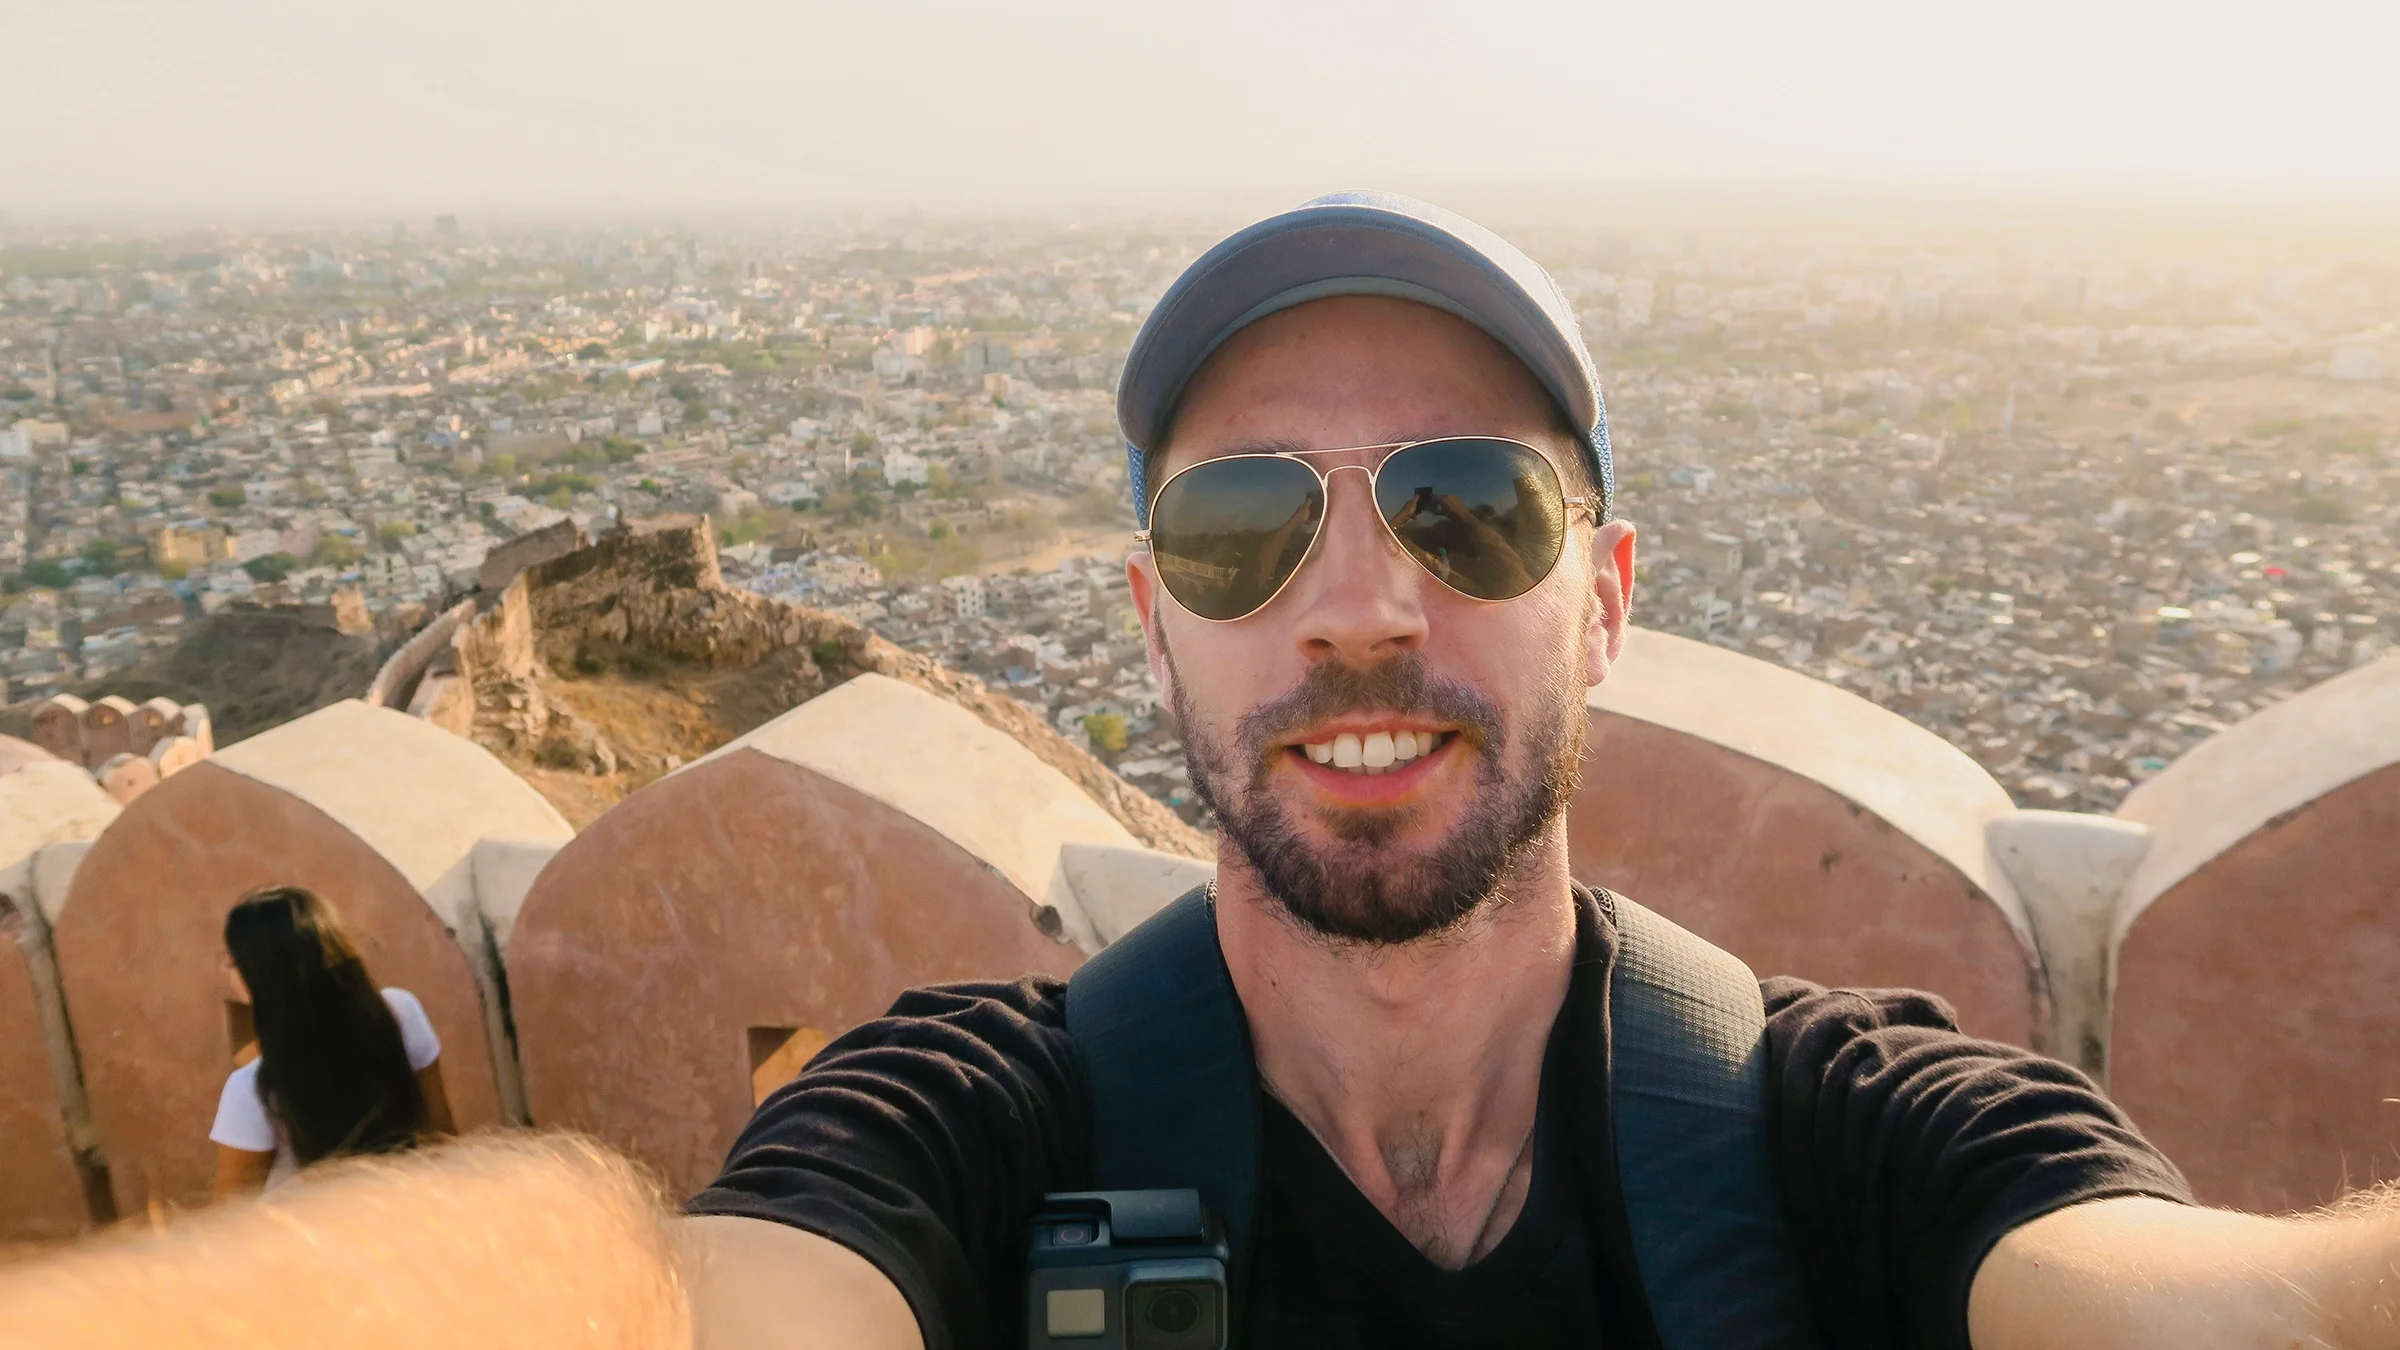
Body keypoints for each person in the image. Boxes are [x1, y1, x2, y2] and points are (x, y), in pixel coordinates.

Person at [6, 193, 2400, 1350]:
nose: (1355, 598)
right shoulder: (974, 1118)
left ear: (1606, 592)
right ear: (1147, 618)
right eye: (1240, 525)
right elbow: (657, 1310)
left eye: (1468, 507)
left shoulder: (1853, 1138)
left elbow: (2250, 1313)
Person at [211, 885, 455, 1198]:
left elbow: (232, 1216)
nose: (225, 972)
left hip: (315, 1240)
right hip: (410, 1214)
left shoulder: (252, 1088)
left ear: (261, 977)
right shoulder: (400, 1013)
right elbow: (441, 1137)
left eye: (232, 963)